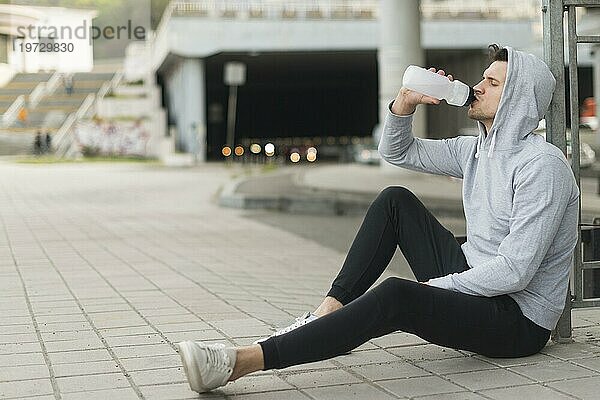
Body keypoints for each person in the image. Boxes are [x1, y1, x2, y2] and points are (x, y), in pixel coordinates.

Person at [175, 45, 580, 393]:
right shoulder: (474, 150)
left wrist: (433, 292)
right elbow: (398, 153)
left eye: (493, 84)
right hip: (476, 277)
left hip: (515, 318)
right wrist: (403, 105)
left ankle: (239, 362)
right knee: (394, 201)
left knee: (396, 296)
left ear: (519, 100)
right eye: (483, 77)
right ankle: (328, 312)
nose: (477, 86)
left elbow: (514, 273)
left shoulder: (541, 167)